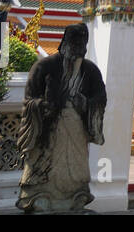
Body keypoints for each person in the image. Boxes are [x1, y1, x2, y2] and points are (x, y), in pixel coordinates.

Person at [17, 22, 107, 212]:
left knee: (76, 168)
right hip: (48, 128)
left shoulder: (90, 70)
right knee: (44, 166)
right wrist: (44, 106)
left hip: (76, 129)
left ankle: (75, 198)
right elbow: (29, 100)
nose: (76, 49)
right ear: (64, 42)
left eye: (81, 44)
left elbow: (100, 98)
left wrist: (85, 104)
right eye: (73, 43)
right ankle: (38, 197)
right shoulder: (44, 66)